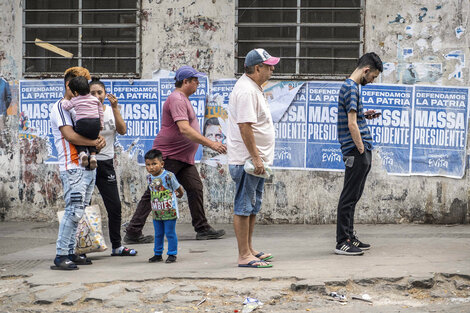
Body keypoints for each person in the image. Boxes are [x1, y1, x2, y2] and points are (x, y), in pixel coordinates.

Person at [124, 65, 227, 243]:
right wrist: (211, 143)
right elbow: (184, 129)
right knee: (154, 191)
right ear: (185, 81)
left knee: (195, 188)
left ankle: (202, 228)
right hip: (170, 155)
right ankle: (133, 232)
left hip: (183, 157)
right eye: (195, 81)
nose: (197, 84)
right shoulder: (177, 99)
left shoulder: (183, 99)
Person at [227, 48, 279, 268]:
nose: (272, 69)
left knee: (252, 206)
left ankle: (249, 249)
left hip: (256, 162)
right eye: (268, 66)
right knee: (243, 206)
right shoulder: (247, 91)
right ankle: (243, 255)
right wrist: (256, 158)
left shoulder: (253, 88)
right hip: (247, 162)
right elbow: (245, 127)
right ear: (257, 68)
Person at [50, 67, 105, 270]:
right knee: (73, 212)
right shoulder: (61, 107)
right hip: (72, 165)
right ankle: (61, 254)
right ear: (69, 85)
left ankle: (72, 252)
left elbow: (92, 128)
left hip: (87, 166)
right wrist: (92, 141)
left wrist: (98, 142)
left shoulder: (81, 105)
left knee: (79, 212)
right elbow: (71, 136)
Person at [335, 52, 383, 256]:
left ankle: (349, 236)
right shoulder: (351, 88)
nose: (371, 81)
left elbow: (354, 117)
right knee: (349, 196)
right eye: (373, 77)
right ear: (366, 70)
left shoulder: (351, 88)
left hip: (358, 148)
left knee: (354, 195)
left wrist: (365, 115)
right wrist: (361, 148)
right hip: (356, 150)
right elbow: (351, 123)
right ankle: (342, 241)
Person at [89, 77, 137, 257]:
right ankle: (80, 247)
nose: (96, 96)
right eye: (92, 93)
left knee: (115, 206)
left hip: (106, 163)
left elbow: (123, 130)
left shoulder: (110, 110)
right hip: (86, 163)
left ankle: (116, 245)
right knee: (83, 206)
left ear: (105, 94)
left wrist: (116, 108)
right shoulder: (83, 111)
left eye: (99, 92)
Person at [145, 149, 184, 263]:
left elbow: (178, 187)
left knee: (170, 232)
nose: (151, 167)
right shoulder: (149, 178)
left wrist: (180, 194)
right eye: (148, 164)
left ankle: (172, 254)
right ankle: (158, 254)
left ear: (161, 164)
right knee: (158, 233)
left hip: (169, 210)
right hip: (157, 211)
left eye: (154, 164)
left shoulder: (168, 176)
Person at [62, 76, 104, 170]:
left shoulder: (75, 99)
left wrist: (64, 101)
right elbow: (100, 112)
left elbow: (66, 106)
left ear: (76, 92)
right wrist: (101, 124)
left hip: (82, 122)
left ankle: (82, 154)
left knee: (79, 137)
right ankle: (93, 157)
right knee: (94, 136)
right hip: (95, 123)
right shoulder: (95, 99)